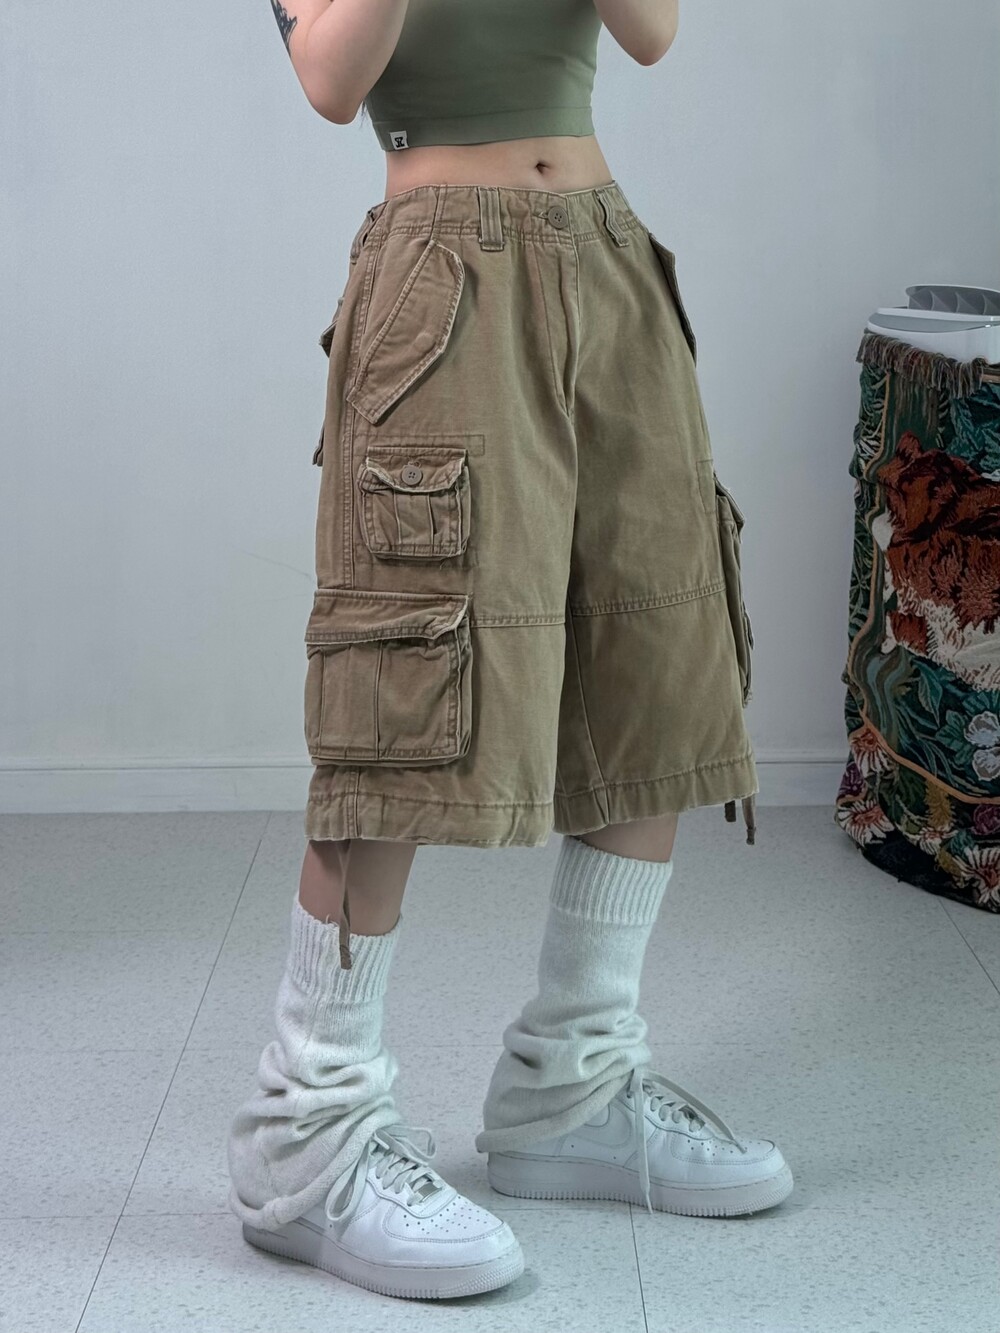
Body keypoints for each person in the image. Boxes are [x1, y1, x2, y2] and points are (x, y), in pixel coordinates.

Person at [227, 0, 791, 1303]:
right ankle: (306, 1128)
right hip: (443, 280)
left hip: (608, 255)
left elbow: (652, 30)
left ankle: (571, 1086)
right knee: (406, 682)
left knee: (657, 650)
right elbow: (330, 77)